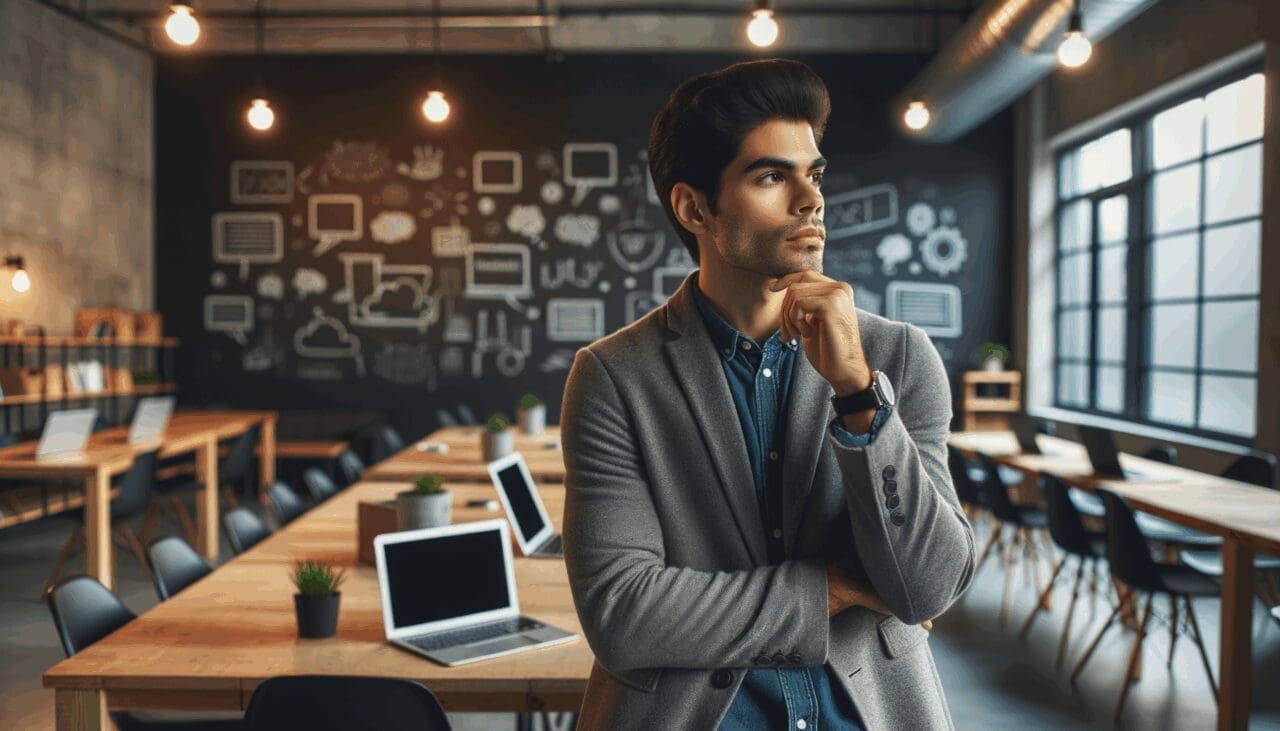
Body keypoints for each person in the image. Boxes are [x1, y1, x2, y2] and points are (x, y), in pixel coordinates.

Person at [561, 58, 975, 730]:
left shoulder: (897, 356)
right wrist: (833, 589)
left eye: (812, 173)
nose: (809, 198)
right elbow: (625, 614)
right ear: (696, 207)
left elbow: (927, 586)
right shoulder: (614, 376)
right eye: (770, 175)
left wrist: (858, 394)